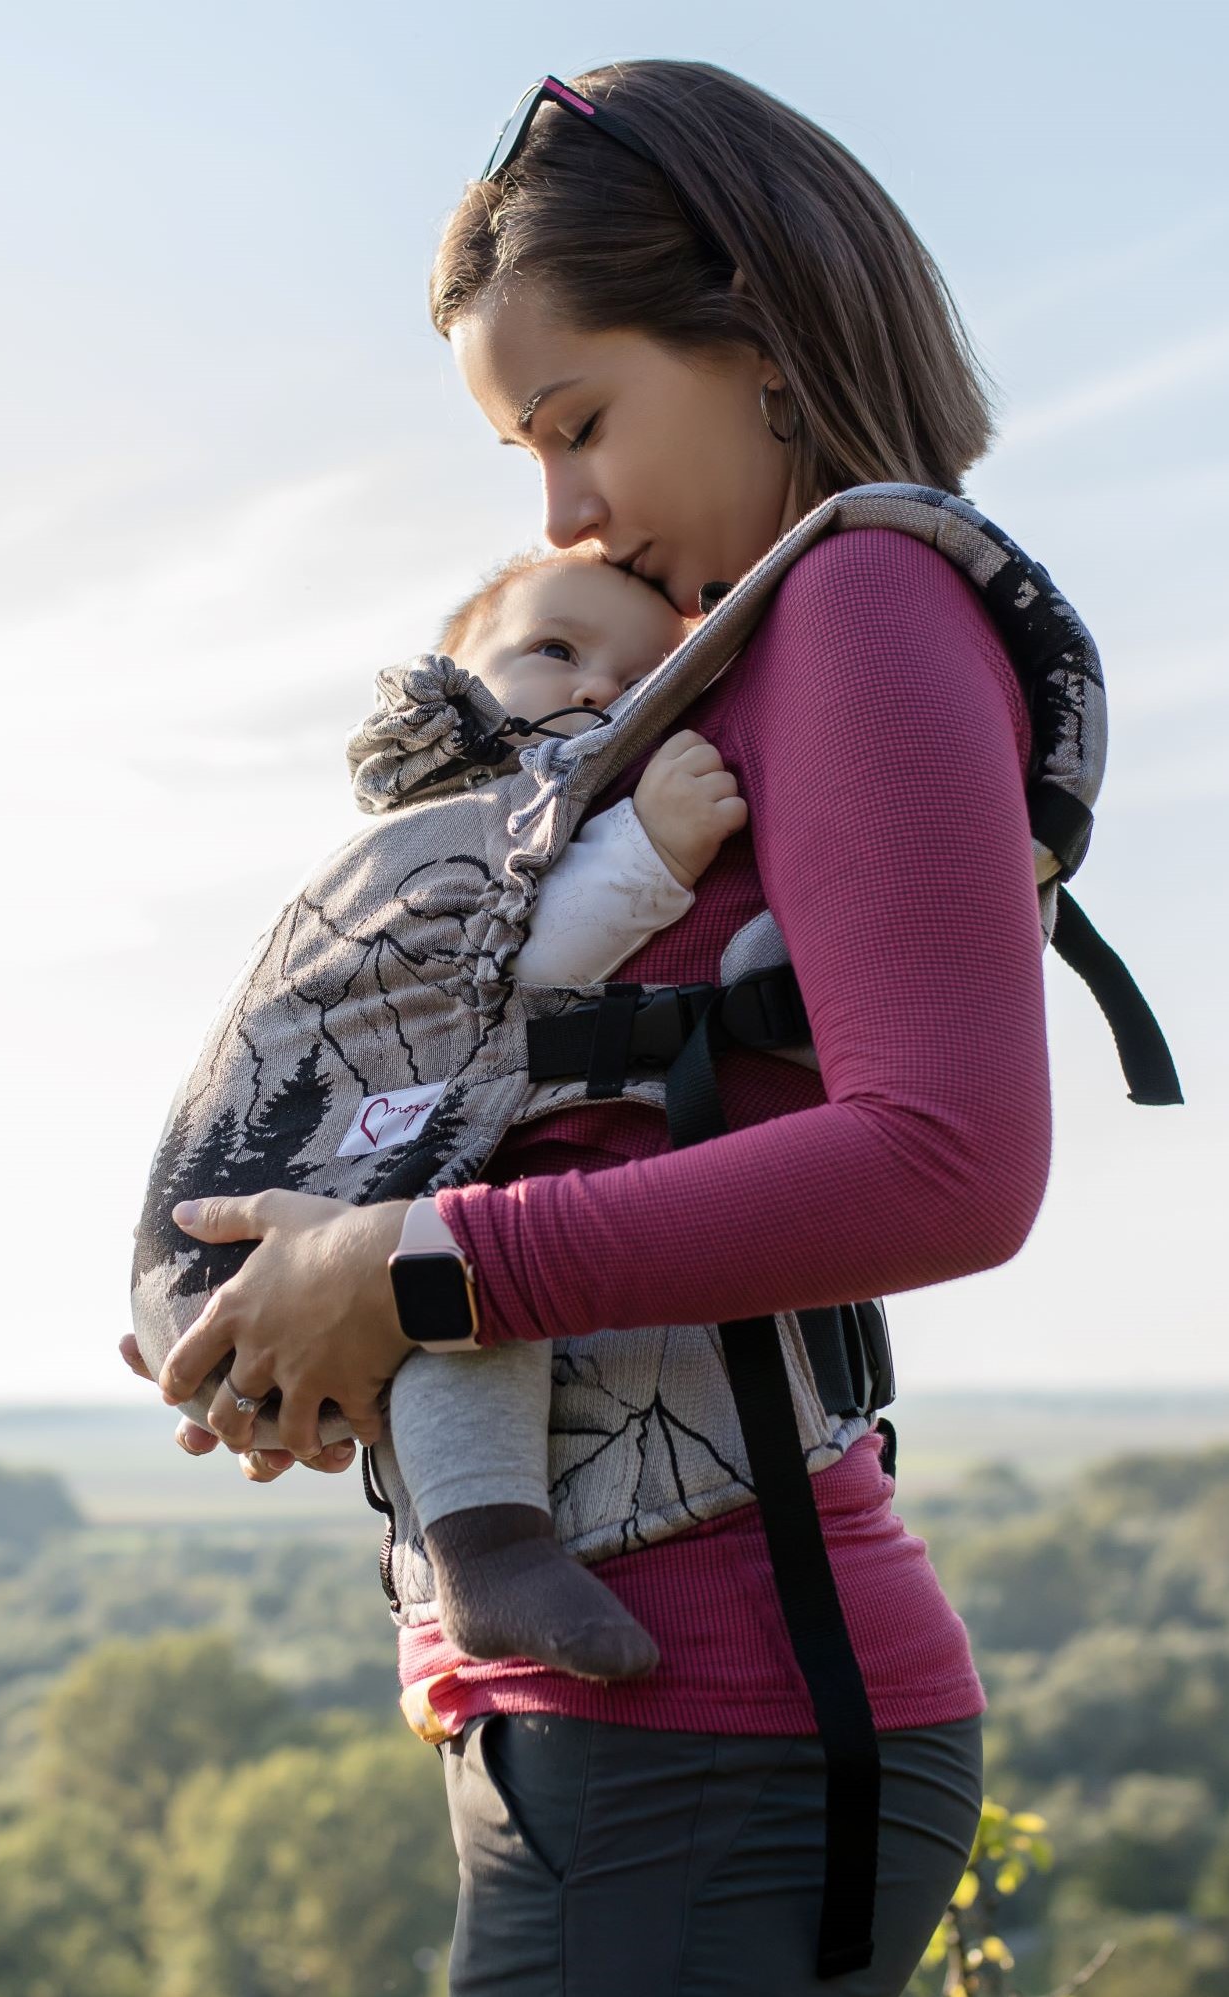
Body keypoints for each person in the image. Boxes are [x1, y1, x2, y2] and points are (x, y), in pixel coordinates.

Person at [121, 58, 1051, 1996]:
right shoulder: (758, 647)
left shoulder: (865, 600)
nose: (561, 511)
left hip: (710, 1720)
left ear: (756, 331)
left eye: (579, 422)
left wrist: (415, 1269)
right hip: (632, 1714)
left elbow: (947, 1158)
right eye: (522, 458)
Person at [370, 546, 762, 1684]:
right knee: (464, 1279)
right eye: (555, 650)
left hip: (398, 1157)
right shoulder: (453, 815)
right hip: (385, 1153)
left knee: (466, 1278)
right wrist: (653, 851)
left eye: (638, 681)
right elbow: (502, 969)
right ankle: (485, 1549)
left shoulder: (566, 802)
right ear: (452, 680)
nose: (597, 687)